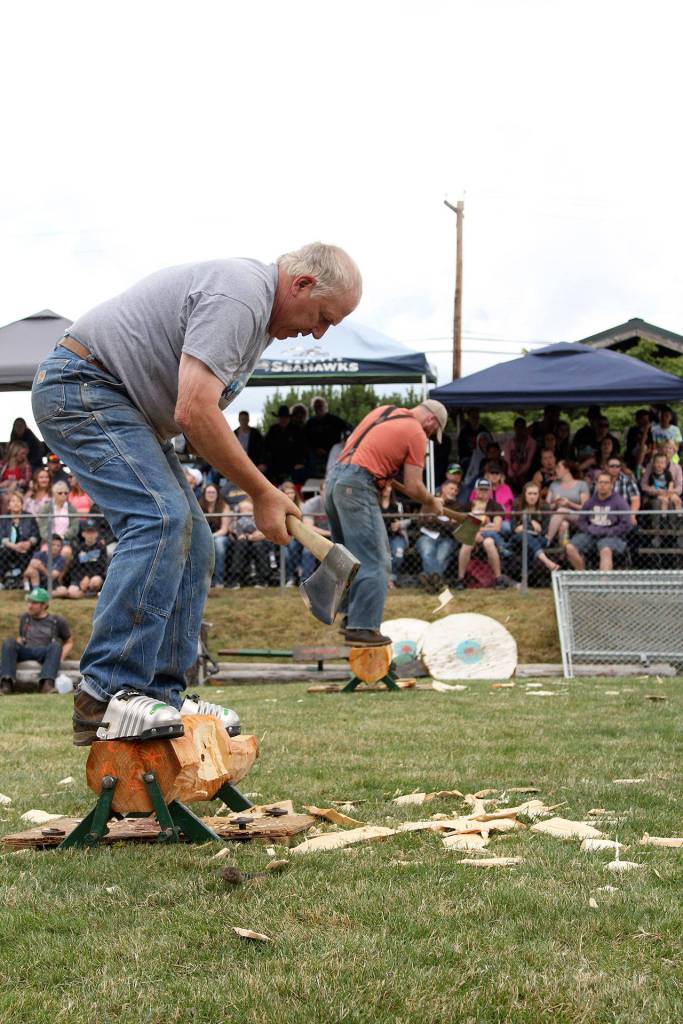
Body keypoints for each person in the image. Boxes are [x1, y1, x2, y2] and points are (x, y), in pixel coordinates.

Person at [32, 241, 360, 743]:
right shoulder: (242, 296)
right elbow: (195, 411)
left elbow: (199, 419)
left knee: (196, 541)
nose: (316, 332)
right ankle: (106, 693)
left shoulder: (256, 319)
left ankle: (161, 695)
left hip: (123, 405)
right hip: (83, 386)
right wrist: (262, 492)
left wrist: (261, 492)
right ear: (301, 285)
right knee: (160, 519)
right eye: (322, 317)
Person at [325, 400, 447, 645]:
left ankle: (350, 616)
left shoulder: (383, 411)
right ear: (431, 421)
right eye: (433, 432)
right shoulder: (416, 431)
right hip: (358, 487)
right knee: (378, 560)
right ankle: (363, 627)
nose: (430, 436)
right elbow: (413, 486)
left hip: (334, 482)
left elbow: (368, 455)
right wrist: (431, 501)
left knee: (349, 557)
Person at [0, 586, 73, 695]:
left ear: (44, 605)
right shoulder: (25, 618)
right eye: (29, 602)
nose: (30, 606)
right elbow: (21, 637)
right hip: (26, 650)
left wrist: (60, 658)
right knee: (9, 642)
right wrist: (13, 648)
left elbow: (69, 642)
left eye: (34, 603)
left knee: (56, 645)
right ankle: (6, 684)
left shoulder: (57, 620)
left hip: (45, 652)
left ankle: (47, 685)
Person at [454, 478, 513, 590]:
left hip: (488, 536)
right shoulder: (468, 505)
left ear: (490, 491)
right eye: (481, 490)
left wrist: (478, 530)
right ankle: (460, 579)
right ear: (476, 490)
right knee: (466, 544)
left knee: (489, 543)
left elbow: (496, 527)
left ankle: (498, 578)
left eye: (486, 490)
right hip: (471, 536)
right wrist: (479, 529)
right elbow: (461, 526)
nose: (483, 493)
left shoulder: (495, 506)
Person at [565, 472, 631, 571]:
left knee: (605, 551)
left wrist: (610, 531)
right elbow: (581, 520)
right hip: (591, 535)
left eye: (606, 483)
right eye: (600, 482)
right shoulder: (590, 502)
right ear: (596, 484)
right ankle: (583, 576)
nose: (602, 485)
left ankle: (603, 584)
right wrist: (589, 529)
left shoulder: (620, 502)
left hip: (612, 536)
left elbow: (626, 524)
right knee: (570, 547)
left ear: (611, 485)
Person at [416, 480, 461, 593]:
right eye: (451, 488)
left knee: (441, 557)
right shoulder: (430, 502)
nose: (454, 492)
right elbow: (421, 522)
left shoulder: (457, 507)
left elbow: (455, 528)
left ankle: (428, 581)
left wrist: (435, 521)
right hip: (427, 536)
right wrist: (446, 523)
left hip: (447, 539)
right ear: (443, 488)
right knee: (427, 553)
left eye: (456, 490)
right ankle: (437, 583)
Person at [510, 482, 559, 574]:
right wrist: (531, 522)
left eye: (535, 494)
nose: (532, 497)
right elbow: (513, 529)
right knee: (524, 536)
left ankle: (525, 575)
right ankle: (546, 562)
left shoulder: (545, 507)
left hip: (538, 538)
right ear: (524, 494)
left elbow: (543, 530)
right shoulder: (517, 505)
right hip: (518, 539)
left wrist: (524, 526)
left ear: (539, 495)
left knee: (527, 540)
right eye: (529, 493)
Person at [54, 518, 108, 599]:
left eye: (93, 532)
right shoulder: (78, 548)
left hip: (94, 576)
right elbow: (75, 567)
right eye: (88, 532)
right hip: (79, 578)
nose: (90, 535)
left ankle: (89, 592)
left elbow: (101, 567)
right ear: (83, 534)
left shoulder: (101, 548)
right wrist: (81, 579)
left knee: (95, 582)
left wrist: (88, 577)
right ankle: (87, 594)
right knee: (71, 592)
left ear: (97, 534)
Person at [545, 458, 590, 545]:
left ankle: (547, 540)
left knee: (562, 510)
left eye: (558, 467)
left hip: (577, 517)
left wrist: (568, 503)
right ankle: (562, 554)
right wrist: (555, 503)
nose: (555, 470)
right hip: (556, 518)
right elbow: (547, 506)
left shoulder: (581, 484)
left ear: (567, 469)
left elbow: (585, 507)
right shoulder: (553, 485)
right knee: (564, 525)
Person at [0, 492, 39, 588]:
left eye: (18, 501)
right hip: (9, 549)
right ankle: (3, 579)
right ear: (8, 505)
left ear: (22, 504)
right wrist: (13, 546)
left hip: (26, 549)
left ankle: (23, 580)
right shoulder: (4, 518)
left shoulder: (29, 517)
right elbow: (2, 536)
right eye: (13, 501)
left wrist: (29, 542)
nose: (16, 503)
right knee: (3, 552)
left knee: (29, 554)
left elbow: (36, 534)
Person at [264, 404, 309, 484]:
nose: (283, 419)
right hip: (275, 464)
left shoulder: (296, 430)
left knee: (301, 473)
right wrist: (264, 462)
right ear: (278, 418)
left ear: (289, 418)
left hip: (293, 464)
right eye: (281, 417)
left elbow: (303, 448)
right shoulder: (273, 430)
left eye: (286, 417)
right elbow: (265, 447)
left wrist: (301, 462)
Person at [230, 499, 271, 587]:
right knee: (241, 545)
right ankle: (237, 579)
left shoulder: (259, 518)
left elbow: (264, 533)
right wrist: (242, 535)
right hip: (243, 542)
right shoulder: (237, 520)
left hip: (258, 541)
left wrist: (251, 536)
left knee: (258, 546)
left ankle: (262, 580)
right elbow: (234, 532)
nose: (246, 513)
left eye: (249, 510)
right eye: (244, 510)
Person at [305, 396, 349, 476]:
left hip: (332, 451)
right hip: (315, 453)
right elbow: (306, 439)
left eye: (320, 406)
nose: (318, 408)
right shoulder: (311, 422)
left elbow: (348, 428)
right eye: (316, 406)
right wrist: (316, 449)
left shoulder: (334, 420)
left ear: (325, 406)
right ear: (313, 408)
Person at [199, 483, 233, 587]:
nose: (211, 494)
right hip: (203, 537)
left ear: (217, 494)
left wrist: (211, 537)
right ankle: (202, 581)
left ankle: (219, 580)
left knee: (218, 543)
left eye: (213, 492)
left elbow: (224, 529)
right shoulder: (198, 507)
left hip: (221, 536)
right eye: (208, 492)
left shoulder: (224, 506)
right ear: (204, 494)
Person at [503, 417, 537, 492]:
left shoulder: (532, 442)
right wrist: (512, 475)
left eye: (522, 427)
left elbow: (529, 461)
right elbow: (507, 461)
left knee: (525, 481)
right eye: (517, 427)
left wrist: (519, 474)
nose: (520, 429)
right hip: (511, 474)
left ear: (525, 428)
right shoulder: (508, 443)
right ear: (514, 428)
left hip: (525, 473)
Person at [0, 442, 32, 511]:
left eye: (25, 454)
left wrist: (16, 483)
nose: (24, 456)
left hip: (18, 491)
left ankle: (4, 520)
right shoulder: (2, 465)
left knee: (7, 498)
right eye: (22, 453)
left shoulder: (26, 466)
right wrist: (4, 484)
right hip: (2, 490)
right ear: (15, 452)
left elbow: (26, 481)